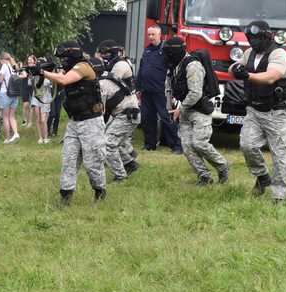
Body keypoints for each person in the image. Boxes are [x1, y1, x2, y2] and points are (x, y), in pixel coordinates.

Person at [229, 20, 286, 203]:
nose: (253, 42)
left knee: (278, 153)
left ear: (266, 36)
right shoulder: (249, 53)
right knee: (247, 145)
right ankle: (263, 177)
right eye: (251, 38)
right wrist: (236, 69)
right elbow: (235, 68)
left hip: (275, 112)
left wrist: (247, 75)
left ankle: (279, 195)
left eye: (257, 38)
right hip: (254, 110)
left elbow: (272, 76)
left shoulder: (279, 53)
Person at [42, 41, 107, 203]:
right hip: (74, 122)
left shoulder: (83, 67)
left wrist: (42, 72)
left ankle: (100, 191)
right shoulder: (70, 68)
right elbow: (61, 78)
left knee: (92, 163)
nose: (62, 62)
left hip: (91, 122)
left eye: (64, 58)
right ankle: (66, 196)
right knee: (68, 159)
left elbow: (64, 80)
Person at [163, 37, 229, 186]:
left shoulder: (193, 65)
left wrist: (180, 108)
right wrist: (171, 106)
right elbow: (170, 87)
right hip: (185, 110)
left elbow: (195, 93)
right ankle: (204, 176)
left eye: (168, 52)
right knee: (187, 147)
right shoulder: (174, 66)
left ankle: (222, 166)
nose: (166, 55)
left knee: (199, 143)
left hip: (200, 110)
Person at [97, 40, 140, 182]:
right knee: (116, 142)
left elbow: (107, 93)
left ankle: (120, 176)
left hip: (127, 112)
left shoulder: (120, 65)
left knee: (108, 144)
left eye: (106, 54)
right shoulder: (110, 68)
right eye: (101, 54)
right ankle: (130, 164)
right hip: (122, 112)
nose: (103, 57)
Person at [137, 26, 182, 153]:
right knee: (147, 118)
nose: (150, 37)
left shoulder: (165, 50)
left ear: (159, 35)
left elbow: (173, 69)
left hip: (160, 91)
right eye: (149, 34)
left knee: (165, 118)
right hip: (146, 91)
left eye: (153, 34)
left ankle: (177, 146)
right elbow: (142, 70)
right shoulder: (147, 50)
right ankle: (149, 144)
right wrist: (138, 87)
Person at [26, 57, 53, 144]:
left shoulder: (48, 73)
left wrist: (42, 75)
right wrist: (32, 76)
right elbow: (30, 84)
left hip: (45, 97)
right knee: (38, 118)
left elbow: (47, 84)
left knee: (43, 119)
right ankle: (40, 137)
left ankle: (45, 137)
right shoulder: (34, 73)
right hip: (36, 97)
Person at [0, 52, 19, 144]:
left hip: (5, 93)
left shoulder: (4, 67)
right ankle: (16, 133)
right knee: (12, 116)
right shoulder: (14, 67)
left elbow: (0, 81)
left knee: (5, 117)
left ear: (2, 60)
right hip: (14, 94)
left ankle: (7, 138)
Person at [21, 55, 35, 127]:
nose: (29, 61)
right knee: (25, 104)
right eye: (28, 59)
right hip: (25, 87)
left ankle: (30, 122)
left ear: (34, 61)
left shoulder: (36, 68)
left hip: (33, 88)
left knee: (32, 105)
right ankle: (25, 120)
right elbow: (23, 75)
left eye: (31, 59)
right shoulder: (25, 68)